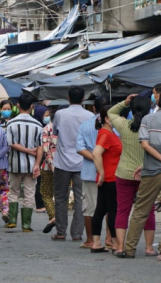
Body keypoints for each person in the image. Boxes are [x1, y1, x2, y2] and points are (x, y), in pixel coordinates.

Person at [121, 87, 161, 259]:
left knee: (141, 209)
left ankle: (130, 248)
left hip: (151, 171)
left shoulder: (147, 119)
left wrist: (154, 162)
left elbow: (145, 145)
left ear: (158, 101)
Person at [108, 95, 156, 257]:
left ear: (131, 109)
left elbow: (111, 112)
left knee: (122, 210)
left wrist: (125, 102)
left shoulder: (124, 125)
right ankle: (149, 247)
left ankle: (120, 246)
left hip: (124, 173)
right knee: (148, 211)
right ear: (149, 109)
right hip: (147, 173)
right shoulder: (151, 127)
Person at [52, 86, 94, 241]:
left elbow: (55, 132)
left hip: (62, 162)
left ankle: (61, 232)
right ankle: (77, 233)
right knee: (80, 199)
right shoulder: (90, 115)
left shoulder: (60, 114)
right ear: (84, 99)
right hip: (83, 161)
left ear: (68, 98)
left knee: (60, 197)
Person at [5, 94, 43, 232]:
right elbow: (40, 147)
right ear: (32, 107)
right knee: (29, 194)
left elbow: (10, 143)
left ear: (18, 106)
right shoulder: (38, 125)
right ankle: (26, 225)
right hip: (31, 165)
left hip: (14, 163)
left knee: (13, 191)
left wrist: (26, 150)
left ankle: (12, 220)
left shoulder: (11, 123)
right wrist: (37, 164)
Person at [89, 105, 122, 252]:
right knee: (112, 210)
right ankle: (115, 243)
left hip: (108, 177)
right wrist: (101, 172)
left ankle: (97, 242)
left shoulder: (108, 133)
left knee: (101, 210)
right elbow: (96, 153)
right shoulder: (106, 134)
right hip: (110, 178)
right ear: (107, 119)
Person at [76, 99, 100, 248]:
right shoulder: (116, 126)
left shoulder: (85, 125)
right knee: (111, 207)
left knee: (89, 207)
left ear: (94, 107)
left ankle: (90, 240)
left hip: (90, 171)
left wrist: (95, 159)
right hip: (111, 171)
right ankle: (110, 240)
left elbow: (80, 148)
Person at [40, 106, 59, 234]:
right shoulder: (66, 129)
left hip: (47, 167)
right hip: (65, 166)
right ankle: (59, 219)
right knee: (61, 195)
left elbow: (46, 148)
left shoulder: (47, 128)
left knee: (46, 193)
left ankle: (53, 216)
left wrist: (51, 163)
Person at [32, 105, 48, 213]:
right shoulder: (37, 128)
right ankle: (39, 204)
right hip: (38, 156)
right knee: (39, 180)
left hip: (43, 156)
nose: (47, 118)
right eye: (46, 116)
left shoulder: (45, 127)